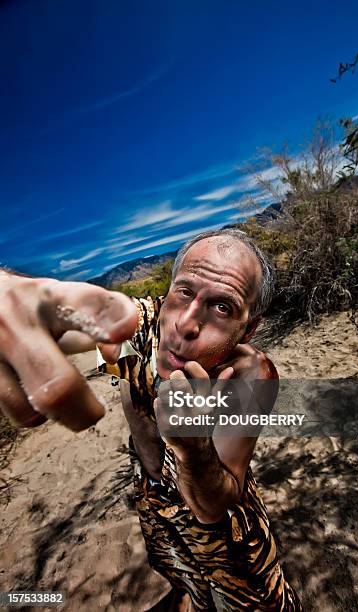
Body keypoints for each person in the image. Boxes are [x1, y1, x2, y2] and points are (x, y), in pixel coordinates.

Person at [0, 229, 303, 611]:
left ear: (249, 327)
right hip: (156, 508)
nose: (187, 323)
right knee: (183, 581)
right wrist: (8, 292)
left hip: (230, 542)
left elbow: (216, 502)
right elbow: (55, 318)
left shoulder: (248, 376)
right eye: (184, 292)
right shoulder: (143, 325)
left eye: (223, 307)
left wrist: (192, 446)